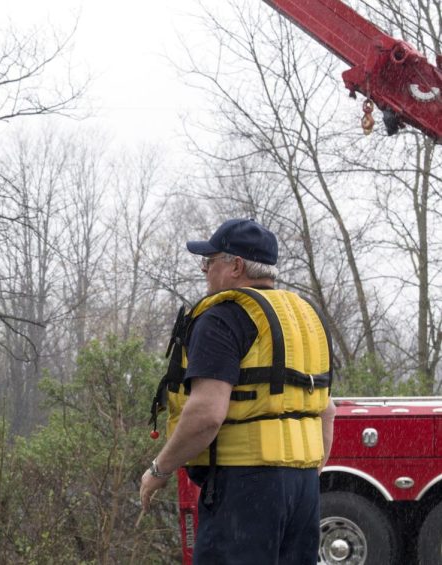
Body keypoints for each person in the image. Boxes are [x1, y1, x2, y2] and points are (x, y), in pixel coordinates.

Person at [140, 219, 336, 565]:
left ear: (236, 266)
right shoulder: (304, 317)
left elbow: (206, 415)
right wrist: (301, 475)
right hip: (303, 488)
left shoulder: (223, 318)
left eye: (209, 261)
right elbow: (325, 409)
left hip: (245, 487)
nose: (205, 271)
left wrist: (159, 470)